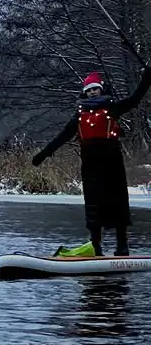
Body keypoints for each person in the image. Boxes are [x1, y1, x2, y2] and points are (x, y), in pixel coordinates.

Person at [32, 67, 151, 256]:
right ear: (85, 93)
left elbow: (134, 100)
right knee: (94, 207)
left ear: (101, 89)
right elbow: (62, 136)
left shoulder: (112, 109)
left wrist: (146, 78)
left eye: (95, 89)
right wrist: (44, 154)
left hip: (113, 165)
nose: (92, 92)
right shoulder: (79, 116)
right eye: (89, 90)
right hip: (90, 168)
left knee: (118, 204)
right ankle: (95, 246)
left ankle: (122, 246)